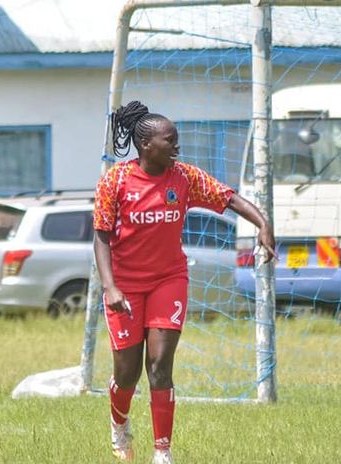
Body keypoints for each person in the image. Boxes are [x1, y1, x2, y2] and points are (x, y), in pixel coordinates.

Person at [92, 101, 277, 464]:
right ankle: (119, 424)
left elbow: (229, 198)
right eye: (170, 139)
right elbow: (101, 236)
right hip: (125, 286)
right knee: (127, 374)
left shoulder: (185, 177)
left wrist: (263, 224)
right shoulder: (115, 180)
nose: (177, 145)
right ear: (146, 145)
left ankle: (163, 451)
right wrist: (110, 287)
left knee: (160, 365)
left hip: (169, 280)